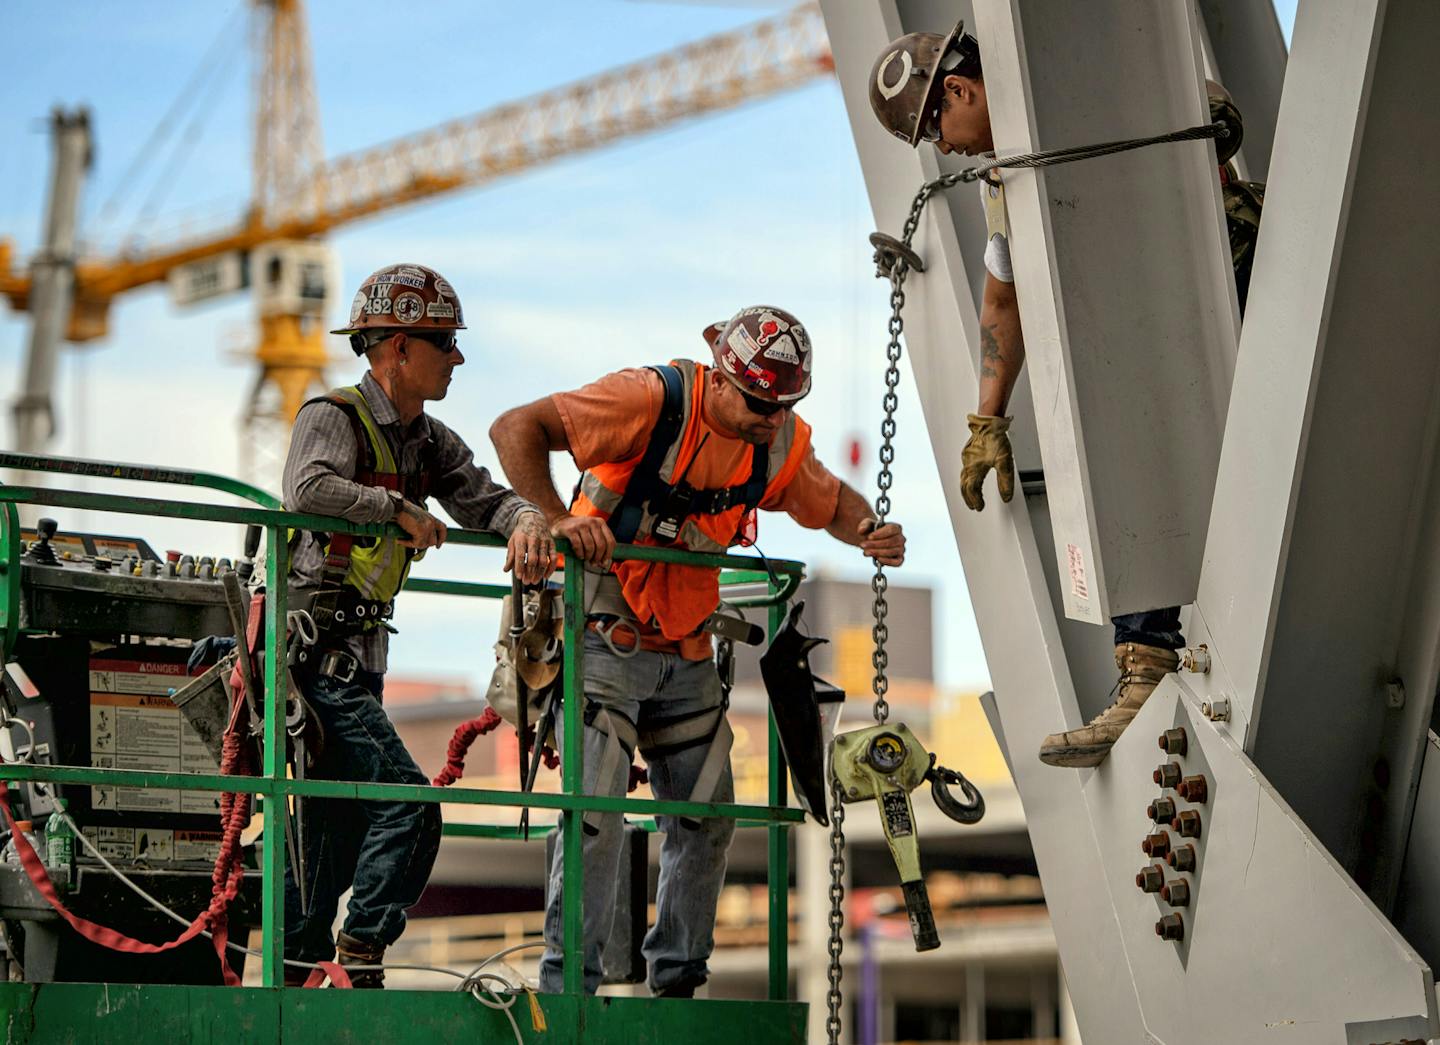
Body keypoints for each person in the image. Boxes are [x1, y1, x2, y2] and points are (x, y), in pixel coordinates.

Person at [868, 24, 1262, 768]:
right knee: (1110, 429)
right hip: (1155, 347)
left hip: (1239, 287)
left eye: (933, 128)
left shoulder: (1087, 102)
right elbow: (1002, 305)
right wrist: (988, 418)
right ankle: (1145, 661)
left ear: (958, 88)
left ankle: (1149, 658)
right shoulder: (1008, 180)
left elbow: (1213, 113)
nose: (941, 146)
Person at [489, 306, 906, 996]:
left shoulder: (772, 443)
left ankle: (679, 980)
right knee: (593, 814)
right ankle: (570, 989)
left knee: (708, 813)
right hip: (603, 629)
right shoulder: (650, 401)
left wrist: (865, 528)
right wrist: (554, 518)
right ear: (719, 378)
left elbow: (827, 499)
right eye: (758, 403)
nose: (772, 419)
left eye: (784, 406)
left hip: (683, 646)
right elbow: (516, 428)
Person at [279, 263, 551, 986]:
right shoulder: (331, 419)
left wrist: (525, 519)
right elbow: (308, 487)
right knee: (409, 805)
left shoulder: (427, 440)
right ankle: (360, 953)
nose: (457, 357)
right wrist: (395, 509)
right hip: (312, 665)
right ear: (397, 348)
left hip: (353, 670)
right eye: (443, 343)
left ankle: (296, 979)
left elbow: (486, 499)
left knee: (323, 847)